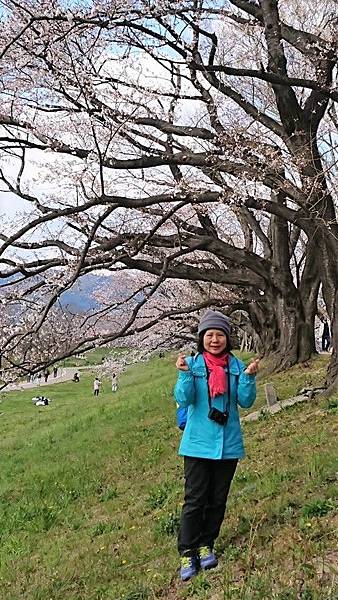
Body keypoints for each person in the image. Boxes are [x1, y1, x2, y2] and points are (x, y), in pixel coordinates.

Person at [174, 310, 259, 582]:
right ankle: (188, 551)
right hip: (197, 445)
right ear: (201, 339)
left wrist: (248, 378)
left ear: (227, 338)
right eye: (209, 335)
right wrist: (185, 375)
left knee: (217, 500)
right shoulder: (193, 365)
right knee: (195, 500)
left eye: (219, 335)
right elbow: (183, 399)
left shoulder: (236, 367)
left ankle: (206, 543)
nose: (214, 340)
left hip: (228, 445)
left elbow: (245, 402)